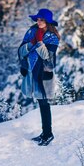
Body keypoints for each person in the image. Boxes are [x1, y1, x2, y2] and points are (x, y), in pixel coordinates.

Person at [18, 8, 60, 146]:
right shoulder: (31, 32)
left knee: (44, 102)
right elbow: (21, 51)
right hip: (31, 70)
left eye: (41, 19)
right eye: (37, 18)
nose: (38, 21)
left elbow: (47, 57)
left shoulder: (52, 37)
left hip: (43, 73)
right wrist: (31, 44)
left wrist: (40, 42)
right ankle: (45, 133)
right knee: (40, 101)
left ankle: (48, 134)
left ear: (47, 21)